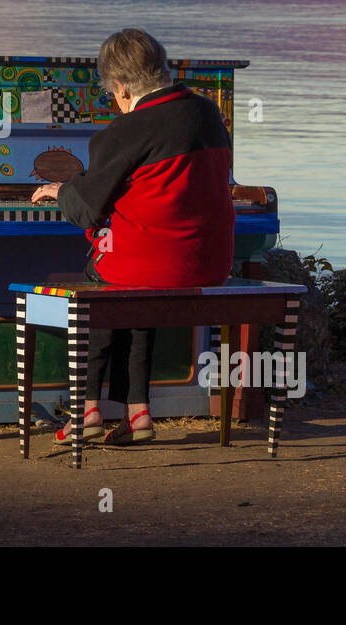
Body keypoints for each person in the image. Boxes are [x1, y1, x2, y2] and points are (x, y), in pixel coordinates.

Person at [31, 28, 236, 444]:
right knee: (137, 279)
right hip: (209, 262)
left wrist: (62, 190)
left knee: (103, 275)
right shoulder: (207, 113)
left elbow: (86, 209)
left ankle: (86, 408)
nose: (115, 102)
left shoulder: (123, 131)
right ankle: (137, 412)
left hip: (153, 264)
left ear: (121, 87)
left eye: (112, 94)